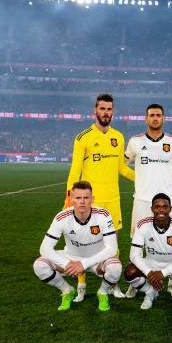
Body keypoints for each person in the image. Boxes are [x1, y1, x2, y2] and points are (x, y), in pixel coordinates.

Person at [64, 93, 134, 302]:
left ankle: (112, 285)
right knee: (82, 243)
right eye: (102, 109)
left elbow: (122, 168)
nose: (106, 113)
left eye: (109, 109)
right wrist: (70, 198)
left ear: (113, 112)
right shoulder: (83, 137)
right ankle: (81, 284)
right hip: (88, 202)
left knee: (114, 245)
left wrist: (144, 179)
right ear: (95, 111)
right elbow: (75, 170)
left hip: (112, 200)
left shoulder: (119, 137)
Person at [124, 104, 172, 298]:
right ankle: (137, 283)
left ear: (163, 118)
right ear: (146, 118)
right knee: (137, 242)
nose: (155, 118)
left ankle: (171, 280)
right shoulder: (135, 142)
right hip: (142, 201)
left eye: (158, 115)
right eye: (151, 115)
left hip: (167, 204)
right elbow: (121, 164)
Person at [33, 181, 122, 312]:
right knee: (39, 265)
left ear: (92, 199)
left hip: (97, 260)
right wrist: (68, 263)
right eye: (78, 198)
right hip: (71, 258)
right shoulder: (61, 217)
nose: (82, 202)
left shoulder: (103, 215)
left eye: (86, 198)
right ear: (71, 199)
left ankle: (102, 292)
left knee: (115, 267)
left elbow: (112, 248)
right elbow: (44, 248)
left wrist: (83, 264)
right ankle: (67, 290)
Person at [123, 193, 172, 310]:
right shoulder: (142, 224)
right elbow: (134, 255)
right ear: (152, 209)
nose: (161, 210)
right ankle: (150, 291)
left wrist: (162, 273)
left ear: (170, 209)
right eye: (157, 207)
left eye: (165, 207)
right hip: (152, 264)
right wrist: (149, 273)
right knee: (129, 272)